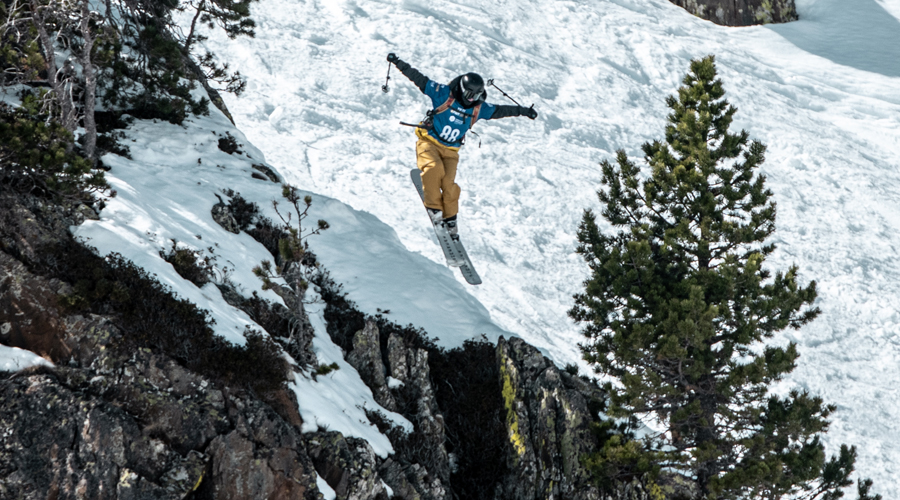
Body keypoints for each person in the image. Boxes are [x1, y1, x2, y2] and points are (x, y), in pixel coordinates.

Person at [387, 53, 537, 239]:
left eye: (476, 95)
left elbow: (500, 110)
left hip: (451, 151)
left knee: (449, 185)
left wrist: (523, 111)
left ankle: (450, 219)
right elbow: (419, 79)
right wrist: (398, 62)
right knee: (434, 169)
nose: (472, 99)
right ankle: (435, 209)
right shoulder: (444, 94)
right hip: (429, 142)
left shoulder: (478, 108)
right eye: (469, 94)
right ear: (461, 89)